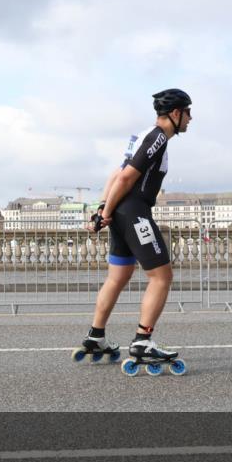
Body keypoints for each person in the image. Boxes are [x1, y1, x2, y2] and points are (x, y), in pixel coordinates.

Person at [76, 88, 193, 376]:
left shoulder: (144, 136)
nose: (191, 119)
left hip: (121, 212)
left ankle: (96, 336)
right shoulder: (157, 138)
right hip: (134, 212)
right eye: (188, 112)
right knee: (161, 276)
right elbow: (127, 177)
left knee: (118, 276)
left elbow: (117, 174)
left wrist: (104, 210)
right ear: (175, 113)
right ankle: (143, 341)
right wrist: (104, 213)